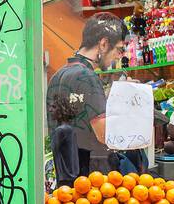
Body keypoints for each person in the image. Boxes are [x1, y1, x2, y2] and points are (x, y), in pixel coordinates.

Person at [46, 13, 128, 175]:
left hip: (67, 179)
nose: (120, 56)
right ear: (103, 44)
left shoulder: (59, 75)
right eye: (119, 49)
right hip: (91, 180)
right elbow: (104, 135)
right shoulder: (87, 77)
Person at [48, 93, 79, 188]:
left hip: (63, 178)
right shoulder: (69, 129)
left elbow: (51, 154)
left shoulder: (61, 130)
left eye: (54, 107)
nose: (50, 110)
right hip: (70, 177)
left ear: (62, 109)